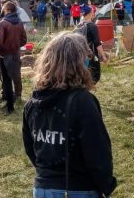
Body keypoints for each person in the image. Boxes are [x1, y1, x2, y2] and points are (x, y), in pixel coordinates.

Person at [23, 32, 117, 198]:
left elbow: (32, 148)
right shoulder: (83, 102)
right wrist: (107, 185)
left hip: (43, 188)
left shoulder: (32, 102)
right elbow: (97, 152)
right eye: (86, 56)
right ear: (79, 62)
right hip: (78, 189)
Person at [0, 1, 27, 113]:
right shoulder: (19, 22)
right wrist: (15, 46)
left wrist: (0, 50)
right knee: (16, 75)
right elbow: (24, 40)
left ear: (6, 10)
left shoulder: (2, 23)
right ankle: (14, 96)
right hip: (15, 53)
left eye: (3, 8)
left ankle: (9, 100)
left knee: (6, 78)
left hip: (4, 54)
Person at [75, 18, 108, 84]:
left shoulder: (78, 26)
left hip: (80, 53)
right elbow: (97, 43)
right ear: (91, 14)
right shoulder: (92, 26)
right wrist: (103, 56)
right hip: (90, 53)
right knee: (93, 74)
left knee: (83, 72)